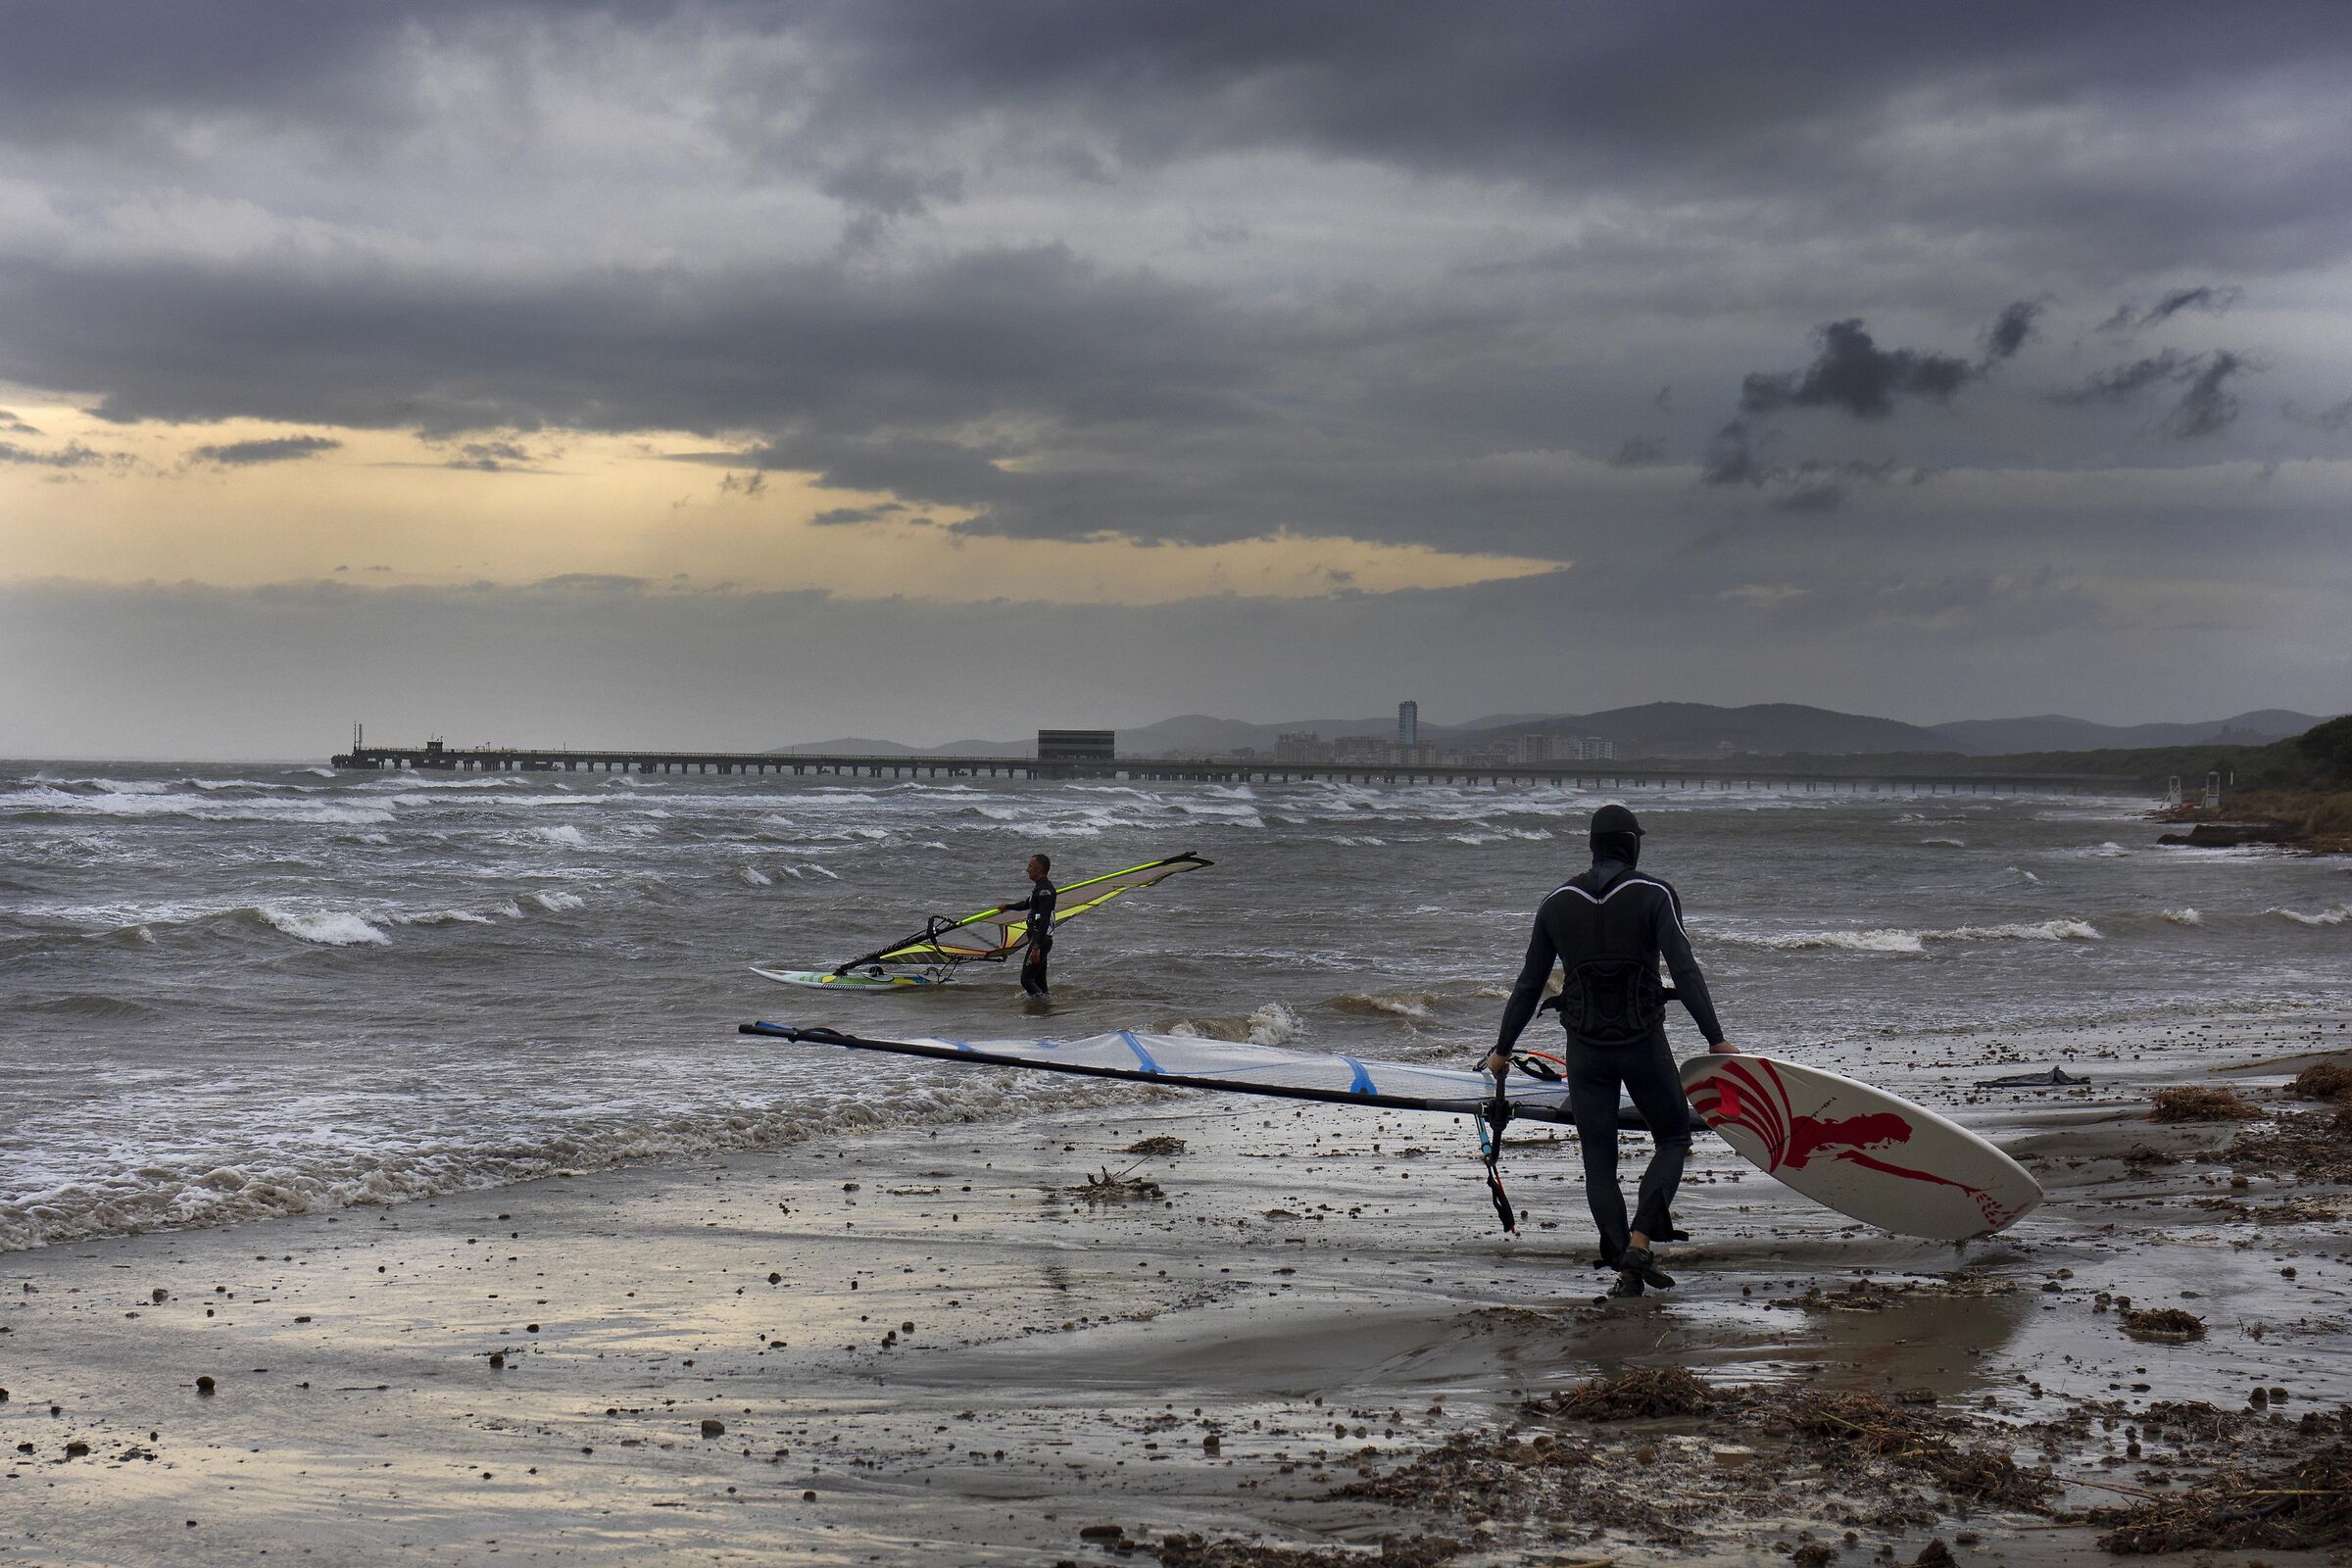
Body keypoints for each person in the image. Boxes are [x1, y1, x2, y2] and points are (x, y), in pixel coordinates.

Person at [1485, 804, 1738, 1299]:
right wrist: (1715, 1037)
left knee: (1598, 1161)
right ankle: (1639, 1243)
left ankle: (1625, 1261)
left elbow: (1528, 985)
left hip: (1586, 1053)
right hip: (1643, 1044)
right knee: (1671, 1136)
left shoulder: (1556, 903)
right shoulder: (1654, 894)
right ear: (1631, 844)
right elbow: (1684, 970)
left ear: (1594, 845)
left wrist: (1502, 1049)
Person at [995, 854, 1058, 998]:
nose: (1027, 869)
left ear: (1039, 869)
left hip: (1040, 940)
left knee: (1026, 980)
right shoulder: (1040, 888)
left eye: (1030, 866)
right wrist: (1008, 906)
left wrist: (1036, 947)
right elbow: (1026, 903)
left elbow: (1045, 920)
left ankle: (1040, 1005)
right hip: (1040, 940)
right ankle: (1044, 1009)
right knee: (1040, 982)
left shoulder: (1045, 891)